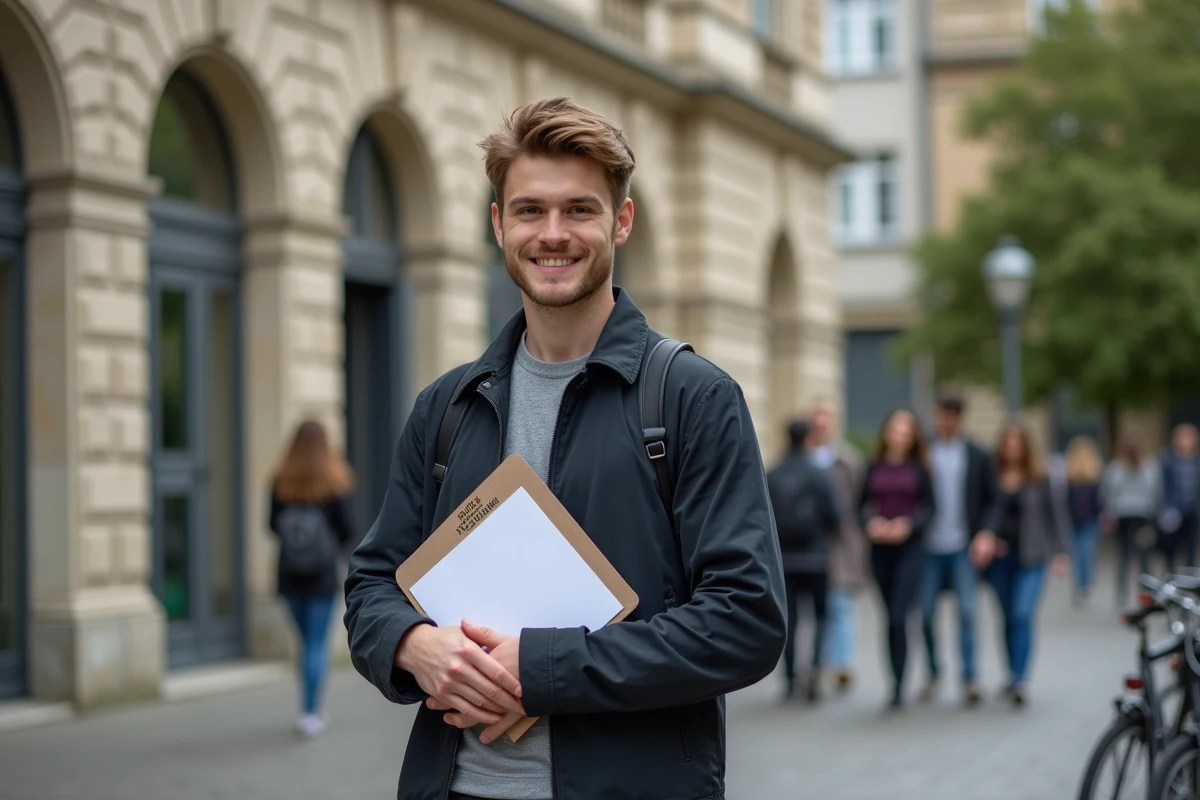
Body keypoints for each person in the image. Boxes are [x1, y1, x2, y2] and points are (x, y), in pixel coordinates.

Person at [343, 97, 787, 800]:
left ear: (622, 220)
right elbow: (371, 587)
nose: (553, 234)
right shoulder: (447, 407)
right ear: (498, 225)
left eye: (579, 210)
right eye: (529, 211)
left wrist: (543, 669)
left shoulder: (691, 398)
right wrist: (413, 647)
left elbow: (745, 621)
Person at [268, 419, 356, 738]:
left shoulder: (282, 479)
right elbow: (348, 530)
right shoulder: (335, 479)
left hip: (289, 573)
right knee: (317, 645)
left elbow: (272, 526)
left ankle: (306, 709)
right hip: (321, 574)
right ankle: (311, 712)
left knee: (305, 644)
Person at [974, 422, 1070, 708]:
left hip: (1032, 556)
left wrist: (1060, 551)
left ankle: (1021, 678)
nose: (1013, 447)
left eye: (1018, 442)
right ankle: (1011, 672)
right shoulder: (991, 475)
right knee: (1006, 616)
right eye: (1008, 442)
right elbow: (982, 511)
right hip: (1000, 557)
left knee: (1022, 613)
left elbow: (1056, 514)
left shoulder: (1039, 476)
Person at [918, 391, 995, 708]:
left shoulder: (976, 453)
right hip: (928, 546)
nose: (947, 420)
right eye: (942, 413)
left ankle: (970, 677)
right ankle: (934, 672)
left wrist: (985, 533)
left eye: (953, 414)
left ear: (960, 417)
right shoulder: (923, 451)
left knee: (967, 612)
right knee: (924, 613)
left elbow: (992, 498)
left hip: (963, 544)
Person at [857, 408, 935, 709]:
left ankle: (901, 684)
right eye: (896, 430)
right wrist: (870, 524)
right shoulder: (873, 465)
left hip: (910, 550)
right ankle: (894, 681)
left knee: (900, 615)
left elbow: (931, 508)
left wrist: (909, 525)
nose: (900, 436)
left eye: (906, 431)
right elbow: (858, 507)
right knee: (889, 618)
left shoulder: (919, 468)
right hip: (880, 551)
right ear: (886, 432)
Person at [767, 419, 841, 702]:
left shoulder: (772, 474)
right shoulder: (819, 475)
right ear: (807, 437)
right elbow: (835, 515)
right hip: (816, 558)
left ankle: (789, 680)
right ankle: (815, 669)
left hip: (784, 560)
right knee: (822, 616)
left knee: (791, 621)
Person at [807, 401, 866, 694]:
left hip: (839, 545)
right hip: (806, 544)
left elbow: (857, 504)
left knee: (838, 604)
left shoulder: (849, 461)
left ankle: (840, 663)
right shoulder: (800, 457)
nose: (821, 425)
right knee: (816, 608)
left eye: (826, 419)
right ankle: (819, 662)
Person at [1102, 432, 1162, 608]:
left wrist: (1112, 509)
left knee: (1123, 557)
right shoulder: (1149, 467)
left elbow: (1108, 492)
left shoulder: (1116, 468)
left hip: (1123, 516)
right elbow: (1155, 493)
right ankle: (1146, 594)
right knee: (1143, 558)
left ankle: (1122, 594)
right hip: (1142, 516)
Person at [1064, 435, 1103, 606]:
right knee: (1082, 553)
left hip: (1085, 519)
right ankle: (1083, 585)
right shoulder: (1071, 474)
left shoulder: (1090, 473)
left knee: (1082, 553)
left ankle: (1083, 584)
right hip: (1079, 519)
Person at [1160, 423, 1200, 569]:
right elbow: (1162, 485)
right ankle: (1172, 574)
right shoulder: (1167, 459)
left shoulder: (1196, 460)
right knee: (1171, 547)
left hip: (1192, 509)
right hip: (1174, 510)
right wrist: (1166, 507)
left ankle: (1189, 576)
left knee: (1190, 547)